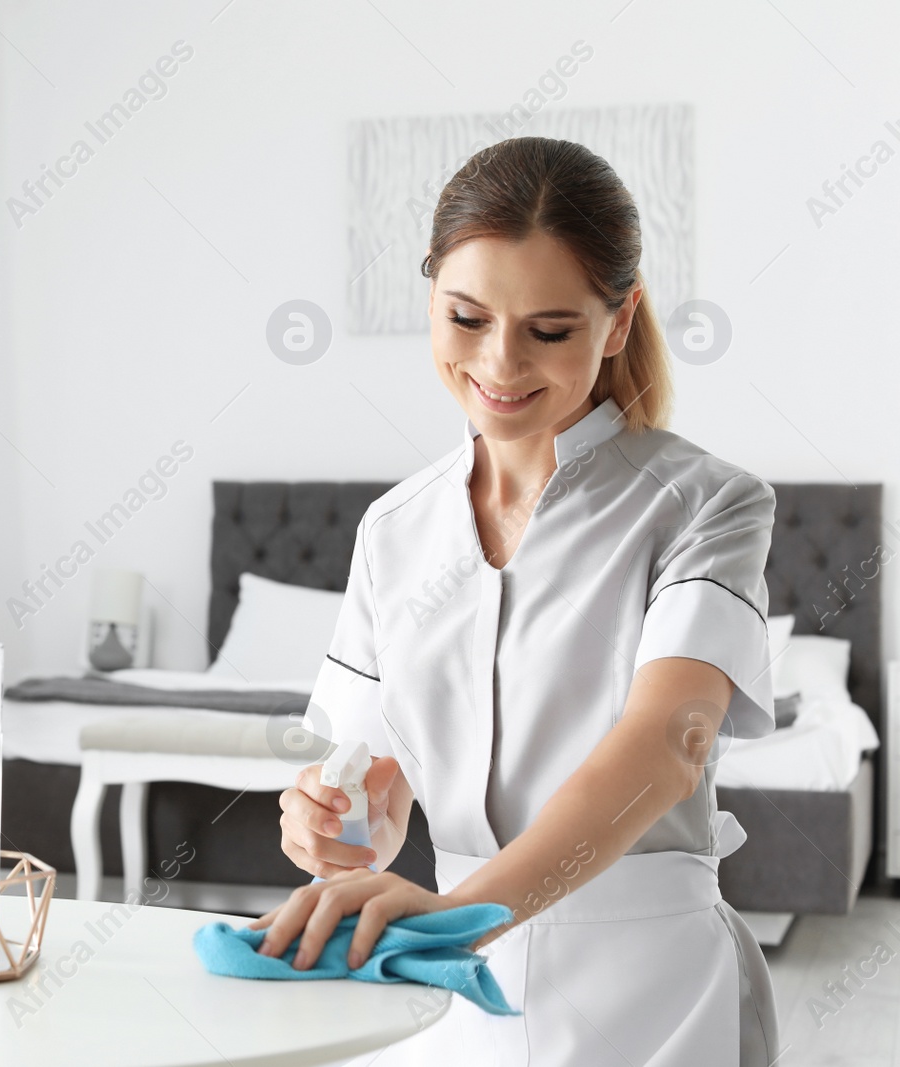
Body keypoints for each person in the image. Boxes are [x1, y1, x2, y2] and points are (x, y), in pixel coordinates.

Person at [249, 137, 779, 1065]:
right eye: (466, 316)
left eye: (550, 329)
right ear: (431, 303)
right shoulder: (394, 529)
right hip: (452, 1000)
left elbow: (667, 744)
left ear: (618, 325)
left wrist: (464, 912)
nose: (499, 362)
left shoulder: (708, 504)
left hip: (653, 995)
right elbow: (376, 782)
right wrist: (331, 819)